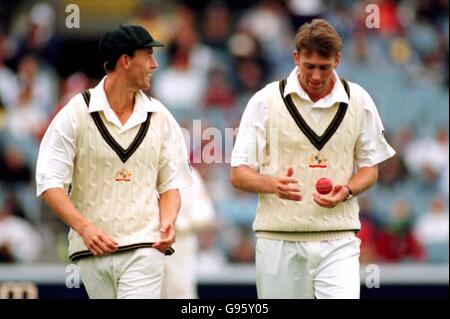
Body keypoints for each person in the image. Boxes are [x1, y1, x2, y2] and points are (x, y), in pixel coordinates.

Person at [230, 19, 395, 299]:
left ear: (338, 60)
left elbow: (370, 168)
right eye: (309, 66)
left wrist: (347, 190)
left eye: (324, 67)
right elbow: (238, 174)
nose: (316, 76)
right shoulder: (264, 101)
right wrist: (273, 184)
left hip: (338, 238)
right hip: (279, 239)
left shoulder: (360, 100)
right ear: (296, 57)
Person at [36, 25, 193, 299]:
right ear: (125, 60)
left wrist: (167, 220)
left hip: (145, 245)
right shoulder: (75, 113)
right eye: (148, 55)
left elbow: (172, 183)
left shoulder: (160, 117)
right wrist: (84, 228)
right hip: (92, 251)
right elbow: (49, 181)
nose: (154, 65)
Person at [161, 167, 216, 299]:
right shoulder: (146, 166)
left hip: (180, 242)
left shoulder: (188, 173)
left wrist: (177, 223)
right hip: (145, 241)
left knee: (180, 291)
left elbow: (205, 214)